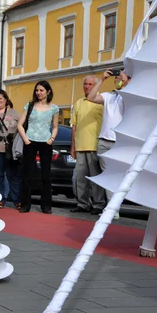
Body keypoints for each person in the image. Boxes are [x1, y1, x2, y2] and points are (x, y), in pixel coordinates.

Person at [87, 68, 130, 217]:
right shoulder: (109, 96)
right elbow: (91, 97)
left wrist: (126, 84)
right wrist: (102, 80)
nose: (117, 79)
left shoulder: (128, 97)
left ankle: (113, 208)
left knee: (117, 175)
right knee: (107, 175)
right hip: (104, 141)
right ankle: (112, 209)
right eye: (116, 78)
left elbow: (129, 105)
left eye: (120, 77)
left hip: (119, 142)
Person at [17, 80, 59, 214]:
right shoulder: (29, 106)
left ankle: (46, 206)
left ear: (48, 91)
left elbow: (55, 126)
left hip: (46, 143)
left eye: (41, 90)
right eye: (37, 90)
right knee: (27, 175)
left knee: (46, 175)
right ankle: (25, 205)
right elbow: (20, 124)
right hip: (30, 141)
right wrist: (26, 140)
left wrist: (51, 139)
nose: (39, 93)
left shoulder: (54, 108)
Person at [70, 76, 105, 215]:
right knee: (81, 178)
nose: (87, 86)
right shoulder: (79, 102)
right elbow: (74, 126)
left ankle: (98, 204)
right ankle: (83, 203)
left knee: (96, 177)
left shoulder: (101, 101)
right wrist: (73, 147)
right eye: (85, 84)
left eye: (90, 84)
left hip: (94, 144)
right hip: (80, 146)